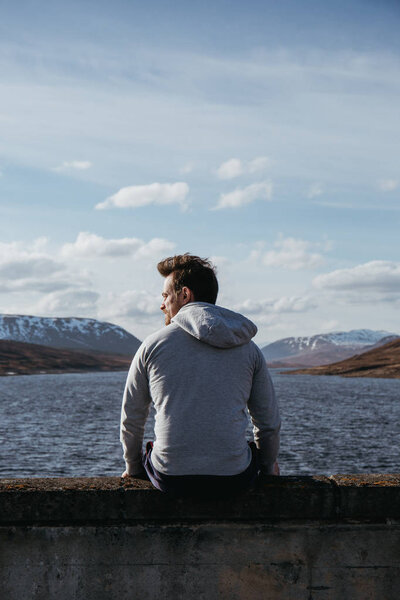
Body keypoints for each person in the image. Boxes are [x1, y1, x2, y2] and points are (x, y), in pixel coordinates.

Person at [120, 253, 280, 496]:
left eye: (165, 296)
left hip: (170, 478)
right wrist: (268, 467)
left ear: (185, 294)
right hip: (235, 479)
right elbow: (267, 422)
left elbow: (132, 418)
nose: (162, 305)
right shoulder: (249, 348)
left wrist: (133, 467)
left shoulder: (152, 345)